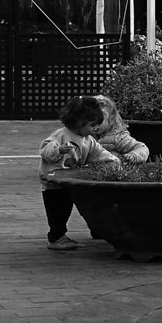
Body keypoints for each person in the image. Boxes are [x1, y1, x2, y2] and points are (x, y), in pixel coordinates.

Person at [38, 95, 120, 251]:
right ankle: (56, 237)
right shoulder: (61, 136)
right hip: (54, 183)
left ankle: (97, 229)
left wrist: (113, 161)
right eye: (92, 125)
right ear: (79, 122)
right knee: (58, 211)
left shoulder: (88, 139)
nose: (95, 129)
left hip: (73, 180)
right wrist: (58, 150)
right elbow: (45, 150)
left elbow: (98, 152)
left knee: (88, 205)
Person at [91, 95, 150, 163]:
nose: (94, 125)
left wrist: (132, 156)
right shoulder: (87, 135)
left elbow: (141, 148)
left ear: (111, 119)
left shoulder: (118, 137)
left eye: (99, 121)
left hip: (111, 170)